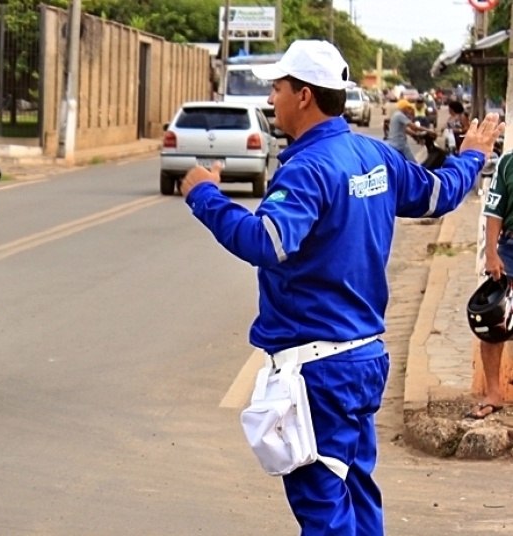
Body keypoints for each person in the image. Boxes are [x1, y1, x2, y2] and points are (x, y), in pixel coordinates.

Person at [178, 39, 503, 536]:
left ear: (304, 95)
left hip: (317, 373)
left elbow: (266, 241)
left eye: (278, 88)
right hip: (362, 360)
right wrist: (470, 156)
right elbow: (438, 195)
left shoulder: (310, 167)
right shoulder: (370, 155)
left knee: (325, 508)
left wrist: (203, 194)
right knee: (355, 490)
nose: (271, 99)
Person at [472, 152, 513, 418]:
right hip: (510, 249)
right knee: (493, 320)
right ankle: (494, 394)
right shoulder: (508, 163)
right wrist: (491, 253)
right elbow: (494, 209)